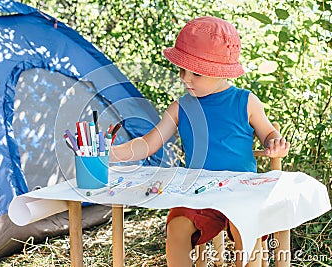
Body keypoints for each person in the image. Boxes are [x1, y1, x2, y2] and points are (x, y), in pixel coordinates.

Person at [109, 16, 290, 267]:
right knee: (177, 228)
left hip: (242, 192)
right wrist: (108, 153)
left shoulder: (245, 101)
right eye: (182, 70)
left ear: (221, 72)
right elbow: (148, 144)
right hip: (199, 193)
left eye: (195, 72)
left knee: (247, 230)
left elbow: (269, 133)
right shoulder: (180, 108)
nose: (186, 78)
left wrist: (274, 142)